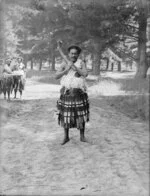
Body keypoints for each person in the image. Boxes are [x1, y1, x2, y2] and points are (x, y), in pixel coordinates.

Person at [55, 41, 90, 145]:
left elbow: (85, 74)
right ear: (69, 54)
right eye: (71, 53)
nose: (73, 55)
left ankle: (82, 136)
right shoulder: (64, 63)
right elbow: (56, 76)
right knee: (66, 115)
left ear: (78, 54)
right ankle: (66, 137)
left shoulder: (81, 63)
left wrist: (76, 68)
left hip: (79, 93)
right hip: (67, 94)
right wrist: (66, 70)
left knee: (81, 114)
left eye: (75, 53)